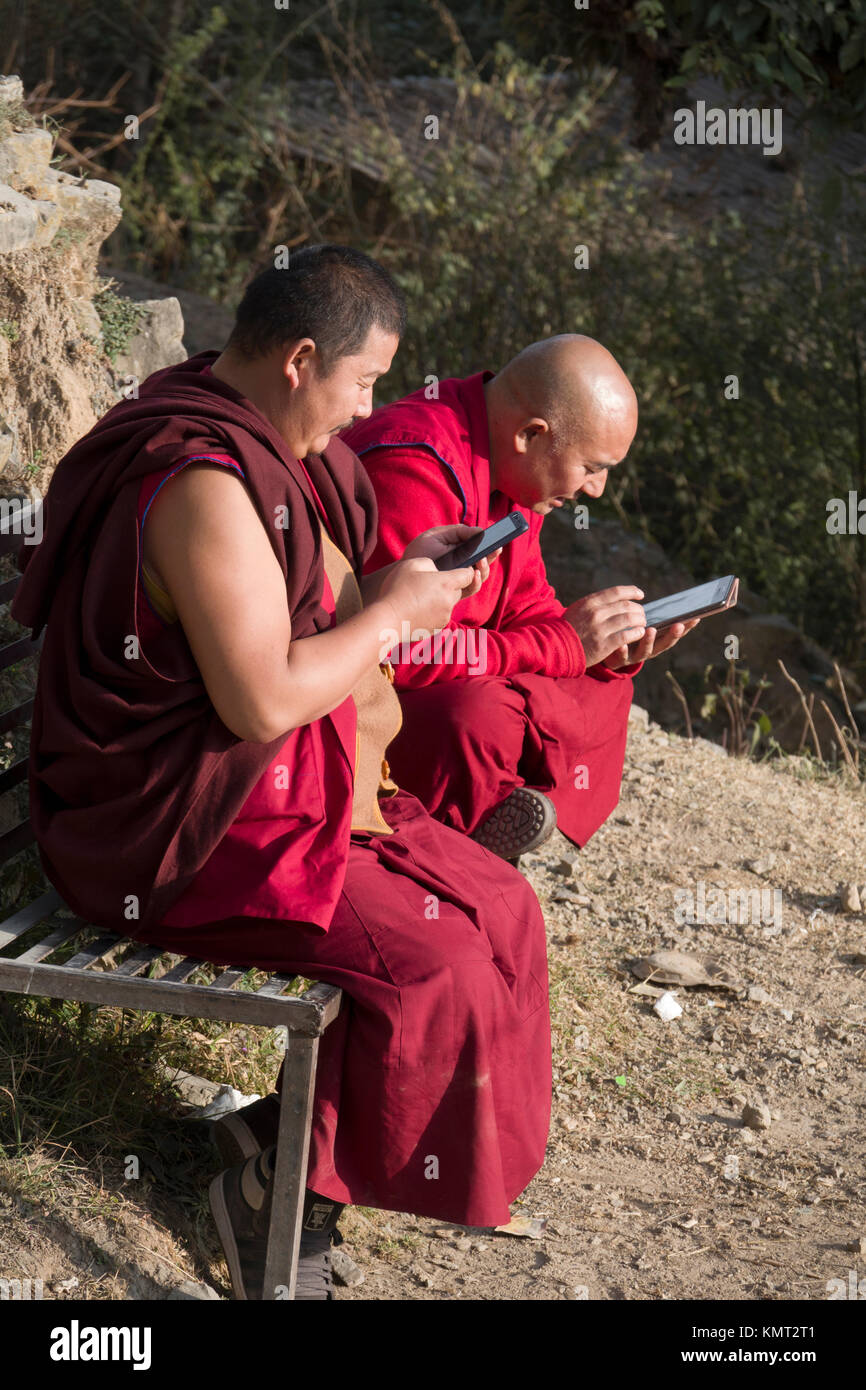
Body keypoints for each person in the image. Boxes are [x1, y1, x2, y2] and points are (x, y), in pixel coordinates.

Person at [10, 246, 552, 1300]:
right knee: (432, 968)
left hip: (272, 786)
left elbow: (311, 610)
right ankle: (285, 1207)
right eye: (362, 384)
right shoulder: (205, 481)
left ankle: (275, 1143)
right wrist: (394, 615)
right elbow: (259, 700)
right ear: (301, 361)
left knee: (500, 908)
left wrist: (396, 581)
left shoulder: (262, 442)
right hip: (175, 826)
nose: (365, 412)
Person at [342, 335, 700, 861]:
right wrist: (561, 644)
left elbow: (525, 603)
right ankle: (444, 838)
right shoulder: (416, 464)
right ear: (532, 434)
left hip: (456, 661)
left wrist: (600, 645)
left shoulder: (514, 467)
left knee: (600, 684)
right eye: (592, 467)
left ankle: (496, 800)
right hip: (363, 696)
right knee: (480, 715)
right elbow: (401, 654)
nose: (597, 490)